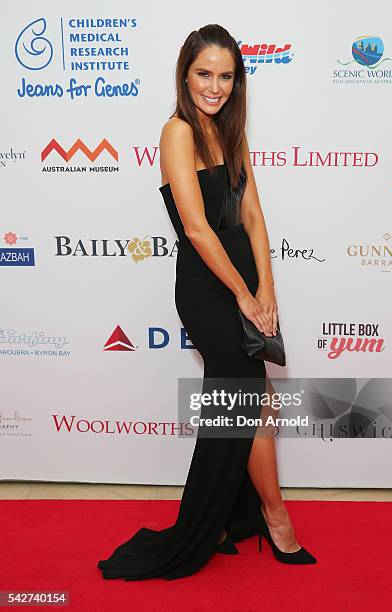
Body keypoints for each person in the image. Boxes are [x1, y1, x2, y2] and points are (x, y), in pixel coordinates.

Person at [97, 23, 316, 582]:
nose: (214, 87)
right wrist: (244, 296)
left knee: (253, 399)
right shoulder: (178, 132)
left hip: (243, 282)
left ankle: (236, 518)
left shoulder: (230, 130)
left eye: (225, 76)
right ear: (185, 74)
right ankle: (272, 516)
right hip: (208, 289)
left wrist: (267, 289)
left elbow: (254, 217)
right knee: (243, 398)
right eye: (203, 74)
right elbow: (196, 229)